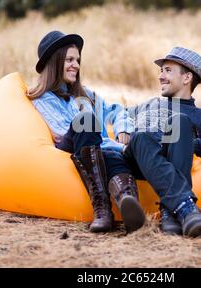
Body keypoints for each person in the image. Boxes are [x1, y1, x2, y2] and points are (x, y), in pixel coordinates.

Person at [27, 30, 145, 233]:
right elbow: (61, 131)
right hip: (69, 149)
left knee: (120, 148)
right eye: (69, 60)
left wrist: (123, 129)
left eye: (77, 60)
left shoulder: (85, 94)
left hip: (98, 152)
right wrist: (118, 147)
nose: (76, 65)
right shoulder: (43, 98)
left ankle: (128, 201)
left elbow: (117, 111)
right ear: (55, 62)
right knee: (86, 121)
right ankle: (102, 209)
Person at [122, 46, 201, 237]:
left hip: (172, 160)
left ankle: (170, 215)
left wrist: (191, 143)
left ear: (187, 78)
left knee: (180, 122)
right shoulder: (147, 106)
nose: (160, 76)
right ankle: (185, 208)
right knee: (142, 136)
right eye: (161, 71)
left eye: (168, 70)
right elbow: (112, 117)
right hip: (140, 161)